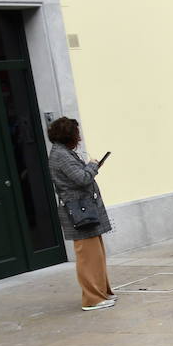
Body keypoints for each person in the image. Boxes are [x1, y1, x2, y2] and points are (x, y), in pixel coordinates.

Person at [47, 117, 115, 311]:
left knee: (96, 255)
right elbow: (82, 178)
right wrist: (93, 165)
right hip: (79, 211)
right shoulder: (61, 155)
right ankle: (92, 298)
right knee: (88, 256)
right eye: (77, 135)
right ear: (69, 136)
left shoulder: (64, 152)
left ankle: (102, 292)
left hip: (85, 209)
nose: (79, 139)